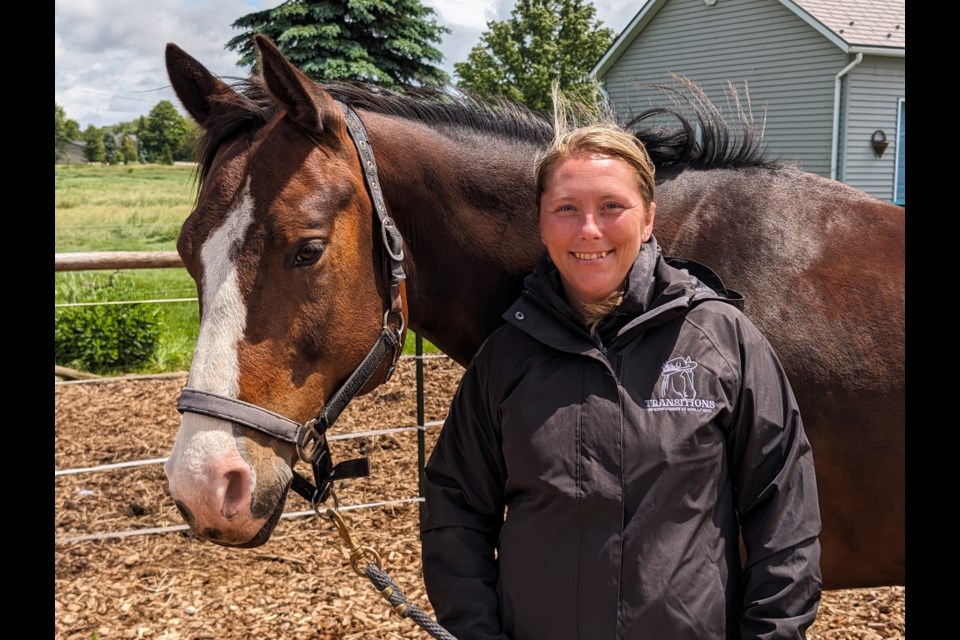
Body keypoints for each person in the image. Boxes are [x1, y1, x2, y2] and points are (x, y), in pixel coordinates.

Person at [419, 100, 822, 640]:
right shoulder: (505, 358)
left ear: (649, 217)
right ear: (541, 221)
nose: (589, 230)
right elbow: (455, 512)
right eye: (566, 208)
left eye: (612, 206)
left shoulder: (720, 341)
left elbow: (785, 512)